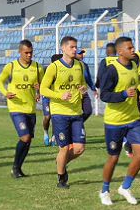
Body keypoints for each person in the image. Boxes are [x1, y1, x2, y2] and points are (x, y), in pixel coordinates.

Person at [99, 37, 140, 205]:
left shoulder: (134, 66)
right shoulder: (112, 70)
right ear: (120, 51)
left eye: (133, 47)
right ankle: (104, 190)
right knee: (113, 158)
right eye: (130, 48)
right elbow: (104, 95)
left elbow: (134, 86)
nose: (133, 50)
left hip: (133, 119)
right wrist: (124, 95)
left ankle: (125, 187)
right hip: (114, 121)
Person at [40, 36, 87, 189]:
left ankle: (61, 162)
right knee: (64, 148)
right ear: (63, 49)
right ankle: (61, 178)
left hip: (76, 112)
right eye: (72, 47)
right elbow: (43, 89)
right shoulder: (54, 67)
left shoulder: (80, 66)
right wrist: (59, 95)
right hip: (59, 113)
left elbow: (82, 84)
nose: (75, 50)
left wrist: (82, 90)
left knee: (79, 148)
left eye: (76, 47)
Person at [0, 40, 44, 178]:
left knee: (28, 140)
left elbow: (43, 84)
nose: (29, 55)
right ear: (20, 52)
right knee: (25, 136)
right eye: (26, 53)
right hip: (16, 107)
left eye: (31, 52)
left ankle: (18, 168)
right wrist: (5, 93)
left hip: (31, 109)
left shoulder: (37, 68)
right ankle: (15, 166)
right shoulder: (11, 66)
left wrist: (39, 89)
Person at [42, 54, 62, 147]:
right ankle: (45, 133)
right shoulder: (47, 70)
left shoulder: (63, 71)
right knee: (47, 116)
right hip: (47, 97)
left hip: (56, 98)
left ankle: (54, 137)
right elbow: (42, 84)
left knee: (56, 117)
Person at [75, 48, 98, 122]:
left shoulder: (84, 65)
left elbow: (88, 78)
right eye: (79, 53)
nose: (81, 55)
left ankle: (78, 124)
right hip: (74, 92)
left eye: (82, 53)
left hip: (83, 92)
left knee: (88, 111)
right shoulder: (71, 65)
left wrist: (93, 89)